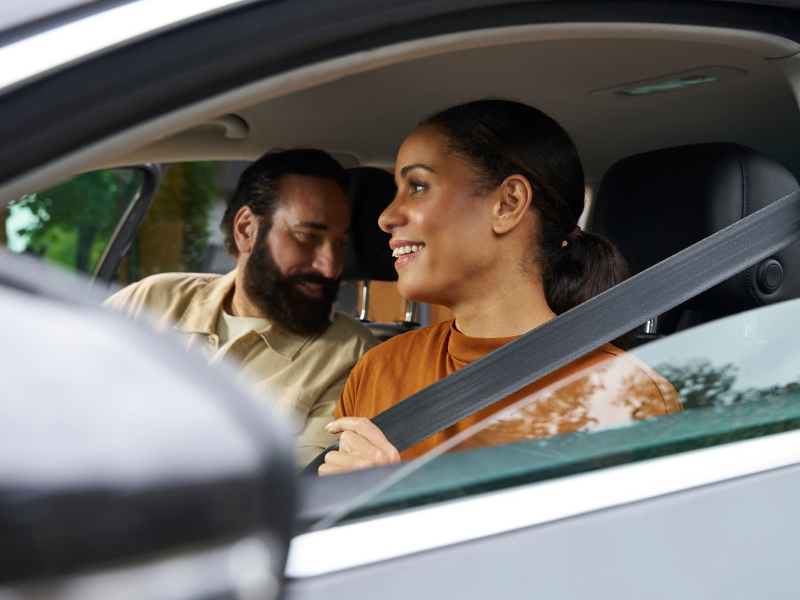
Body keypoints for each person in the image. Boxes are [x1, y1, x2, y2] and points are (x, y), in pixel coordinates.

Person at [319, 99, 681, 475]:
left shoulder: (626, 394)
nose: (386, 216)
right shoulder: (378, 370)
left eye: (419, 186)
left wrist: (388, 496)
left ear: (508, 204)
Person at [104, 148, 378, 468]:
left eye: (340, 244)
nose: (331, 266)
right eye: (307, 236)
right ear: (247, 229)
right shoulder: (146, 301)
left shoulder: (351, 356)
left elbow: (297, 492)